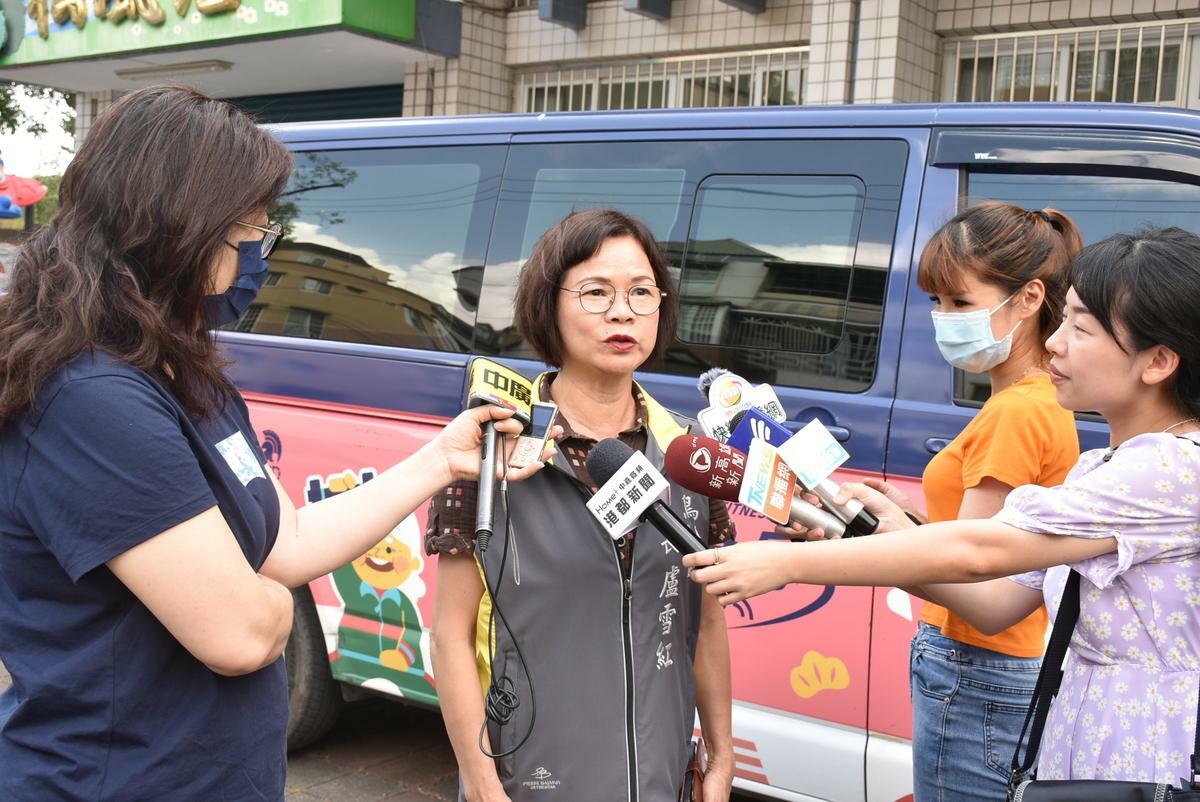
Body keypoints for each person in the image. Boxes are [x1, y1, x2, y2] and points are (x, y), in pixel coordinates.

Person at [0, 85, 550, 802]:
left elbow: (285, 540)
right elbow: (241, 637)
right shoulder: (90, 399)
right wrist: (252, 590)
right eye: (247, 235)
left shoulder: (187, 372)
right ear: (174, 230)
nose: (259, 257)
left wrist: (439, 460)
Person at [685, 226, 1200, 785]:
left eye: (1080, 327)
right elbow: (995, 599)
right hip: (1092, 746)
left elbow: (977, 551)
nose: (1055, 341)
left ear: (1158, 361)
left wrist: (787, 565)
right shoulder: (1108, 466)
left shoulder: (1170, 468)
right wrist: (881, 533)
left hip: (1146, 759)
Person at [426, 207, 735, 802]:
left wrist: (720, 758)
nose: (623, 312)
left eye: (642, 292)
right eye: (596, 292)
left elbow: (707, 621)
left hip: (661, 781)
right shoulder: (491, 447)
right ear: (549, 305)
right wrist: (486, 789)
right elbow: (450, 637)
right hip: (529, 780)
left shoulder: (692, 453)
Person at [784, 202, 1082, 800]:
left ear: (1028, 300)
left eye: (961, 303)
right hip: (997, 667)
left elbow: (972, 576)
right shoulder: (1027, 399)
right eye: (936, 302)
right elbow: (993, 543)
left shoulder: (1018, 411)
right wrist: (907, 519)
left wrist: (869, 539)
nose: (942, 319)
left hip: (977, 670)